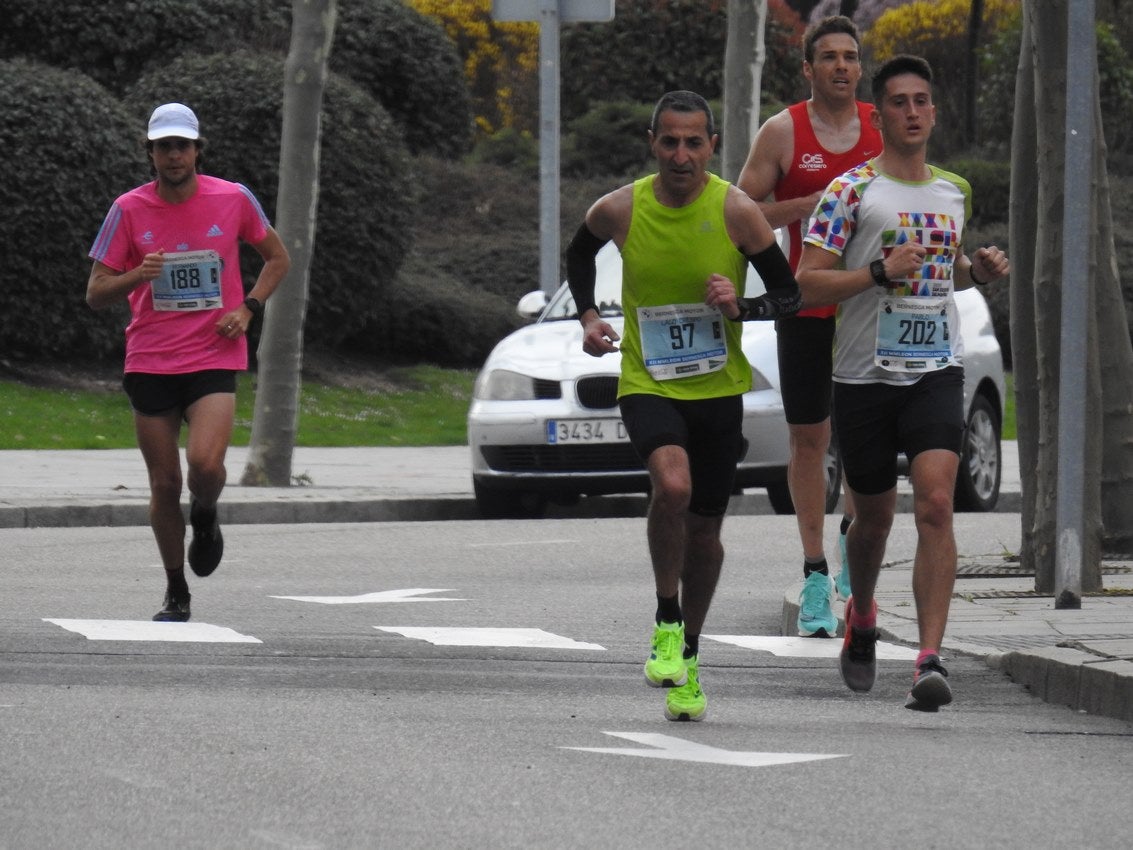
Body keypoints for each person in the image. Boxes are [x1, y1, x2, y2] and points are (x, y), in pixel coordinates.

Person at [566, 91, 802, 721]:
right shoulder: (620, 208)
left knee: (706, 531)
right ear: (653, 142)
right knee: (671, 486)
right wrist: (589, 317)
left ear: (711, 147)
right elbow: (578, 253)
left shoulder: (736, 211)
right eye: (669, 141)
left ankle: (691, 655)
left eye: (693, 142)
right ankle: (666, 617)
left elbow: (787, 294)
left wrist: (739, 307)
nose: (680, 154)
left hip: (719, 391)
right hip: (649, 381)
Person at [796, 56, 1009, 710]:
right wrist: (877, 275)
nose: (911, 112)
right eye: (898, 102)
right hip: (862, 378)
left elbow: (943, 275)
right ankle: (861, 614)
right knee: (873, 521)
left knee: (936, 504)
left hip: (934, 370)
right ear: (879, 113)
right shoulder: (849, 192)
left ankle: (927, 659)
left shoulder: (952, 191)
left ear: (933, 113)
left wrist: (975, 269)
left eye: (921, 101)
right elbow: (807, 280)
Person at [86, 102, 291, 623]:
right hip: (151, 357)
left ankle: (206, 513)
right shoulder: (128, 210)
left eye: (182, 145)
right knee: (162, 485)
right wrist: (138, 275)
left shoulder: (232, 198)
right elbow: (96, 293)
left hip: (213, 353)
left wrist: (248, 307)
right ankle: (176, 589)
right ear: (150, 153)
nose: (173, 155)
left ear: (198, 150)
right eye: (163, 146)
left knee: (203, 465)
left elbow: (278, 258)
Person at [737, 15, 882, 638]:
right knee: (809, 439)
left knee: (864, 436)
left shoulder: (882, 127)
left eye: (851, 56)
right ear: (808, 68)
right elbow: (740, 212)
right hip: (804, 304)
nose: (842, 67)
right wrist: (812, 204)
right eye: (829, 57)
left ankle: (852, 554)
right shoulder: (783, 132)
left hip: (871, 305)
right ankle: (816, 571)